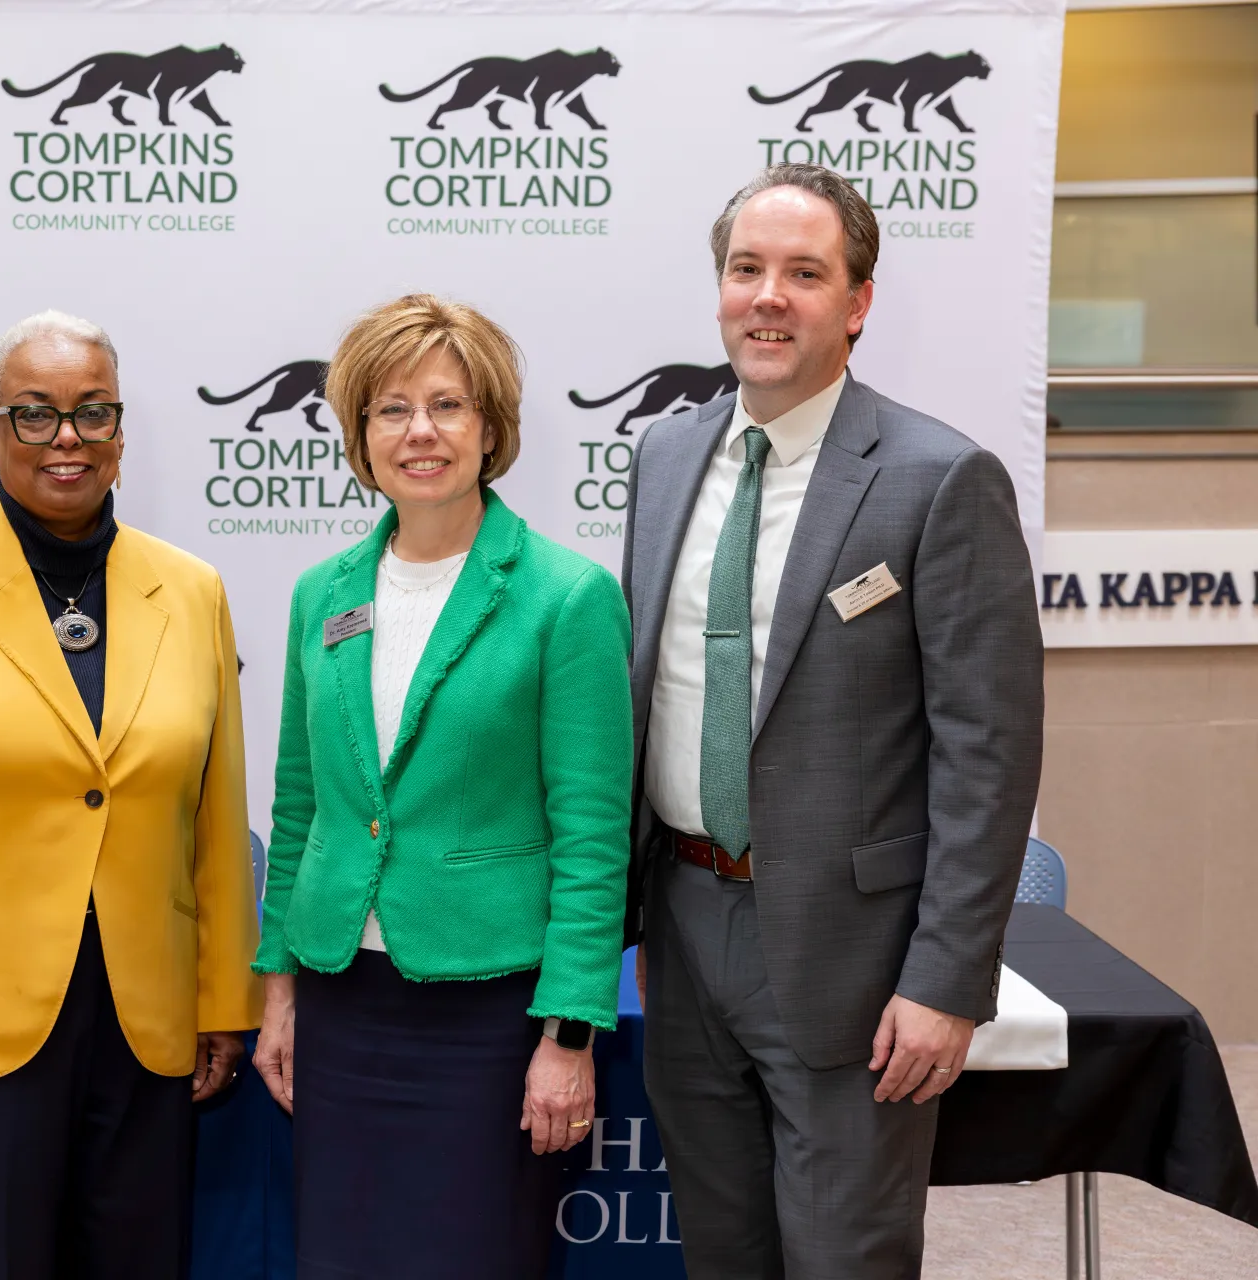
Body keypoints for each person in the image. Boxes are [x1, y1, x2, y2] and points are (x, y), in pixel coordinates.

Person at [622, 163, 1045, 1279]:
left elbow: (987, 755)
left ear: (857, 303)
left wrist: (947, 977)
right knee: (722, 1249)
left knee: (843, 1256)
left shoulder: (939, 478)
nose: (768, 296)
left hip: (855, 959)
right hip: (681, 916)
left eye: (804, 274)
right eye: (746, 269)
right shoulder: (665, 458)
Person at [0, 310, 263, 1279]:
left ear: (120, 429)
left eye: (90, 412)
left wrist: (224, 992)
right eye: (34, 414)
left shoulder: (191, 590)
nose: (65, 438)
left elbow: (215, 810)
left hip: (147, 1024)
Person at [251, 294, 633, 1279]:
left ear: (492, 428)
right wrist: (278, 986)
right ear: (359, 435)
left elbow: (592, 837)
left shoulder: (566, 596)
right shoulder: (321, 593)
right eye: (390, 408)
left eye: (448, 404)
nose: (420, 430)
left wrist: (570, 1032)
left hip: (489, 1017)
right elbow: (301, 805)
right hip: (343, 1001)